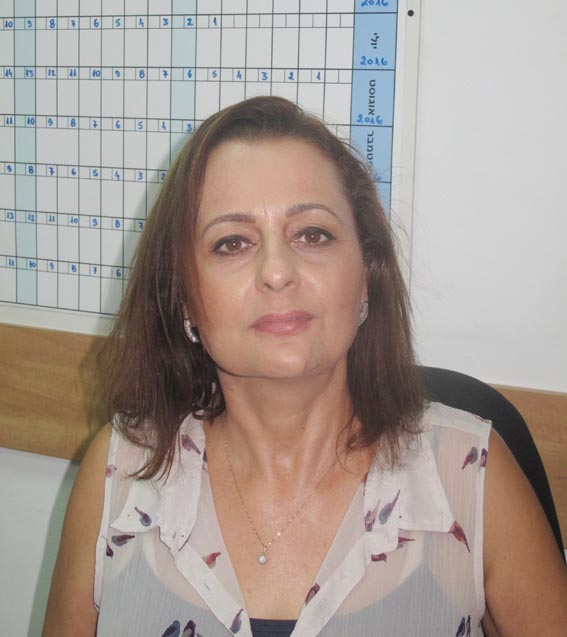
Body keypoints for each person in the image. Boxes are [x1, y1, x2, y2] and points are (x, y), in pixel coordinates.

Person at [43, 96, 566, 637]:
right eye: (232, 243)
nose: (277, 272)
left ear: (365, 276)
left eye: (312, 234)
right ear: (184, 298)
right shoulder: (119, 474)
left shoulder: (473, 477)